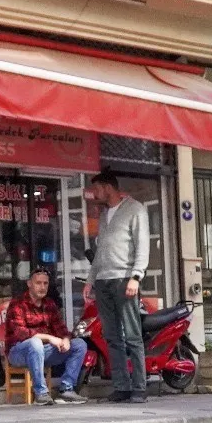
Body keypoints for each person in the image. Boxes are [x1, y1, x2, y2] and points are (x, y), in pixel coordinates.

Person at [88, 171, 150, 404]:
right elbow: (101, 251)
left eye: (96, 189)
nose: (94, 194)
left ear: (108, 188)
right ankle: (121, 387)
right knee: (112, 336)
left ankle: (139, 387)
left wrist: (136, 276)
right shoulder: (104, 216)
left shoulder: (135, 209)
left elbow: (142, 245)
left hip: (124, 279)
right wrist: (91, 280)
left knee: (132, 335)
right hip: (104, 280)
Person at [6, 268, 87, 405]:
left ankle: (66, 389)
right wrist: (49, 338)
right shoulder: (17, 304)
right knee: (35, 343)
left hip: (43, 351)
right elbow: (21, 333)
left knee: (79, 344)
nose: (42, 287)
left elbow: (61, 329)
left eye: (45, 283)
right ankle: (41, 393)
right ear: (29, 284)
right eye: (38, 283)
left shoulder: (49, 304)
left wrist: (66, 340)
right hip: (18, 352)